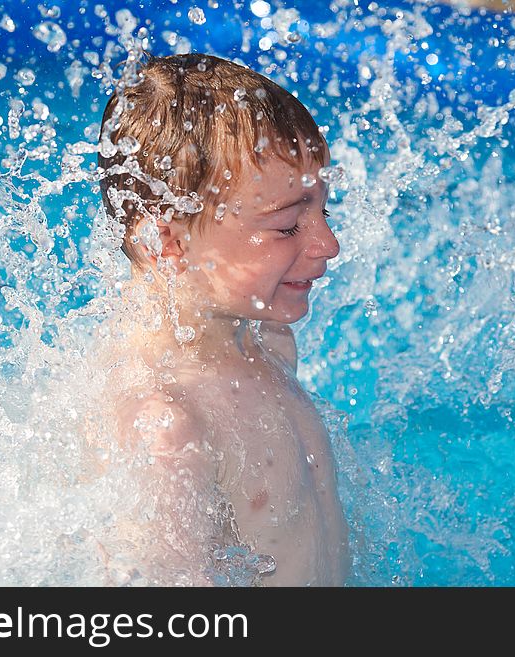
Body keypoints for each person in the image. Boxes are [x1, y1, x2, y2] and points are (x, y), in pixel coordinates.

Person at [90, 52, 351, 586]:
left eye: (323, 211)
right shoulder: (166, 422)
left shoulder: (267, 343)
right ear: (165, 241)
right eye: (286, 227)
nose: (328, 244)